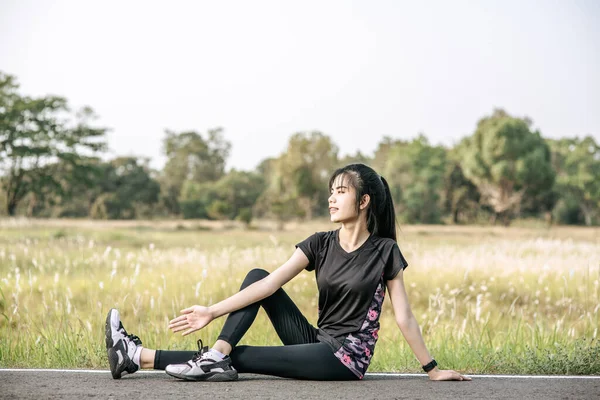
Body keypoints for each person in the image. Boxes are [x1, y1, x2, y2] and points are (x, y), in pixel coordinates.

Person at [105, 163, 471, 382]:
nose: (331, 198)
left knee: (242, 354)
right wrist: (211, 311)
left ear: (363, 202)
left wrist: (433, 369)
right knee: (257, 275)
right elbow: (268, 284)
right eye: (331, 191)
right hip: (317, 341)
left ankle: (138, 356)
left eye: (340, 192)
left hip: (345, 358)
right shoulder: (320, 243)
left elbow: (404, 315)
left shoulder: (384, 251)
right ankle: (206, 355)